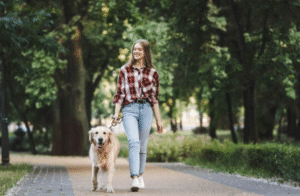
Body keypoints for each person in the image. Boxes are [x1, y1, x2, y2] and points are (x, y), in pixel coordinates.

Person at [112, 39, 163, 192]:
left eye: (140, 49)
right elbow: (119, 93)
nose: (136, 52)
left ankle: (140, 175)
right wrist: (116, 113)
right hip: (129, 109)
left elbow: (154, 98)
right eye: (135, 49)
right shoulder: (125, 70)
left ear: (146, 52)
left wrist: (159, 120)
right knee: (133, 141)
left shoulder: (153, 72)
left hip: (146, 109)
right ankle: (134, 178)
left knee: (142, 145)